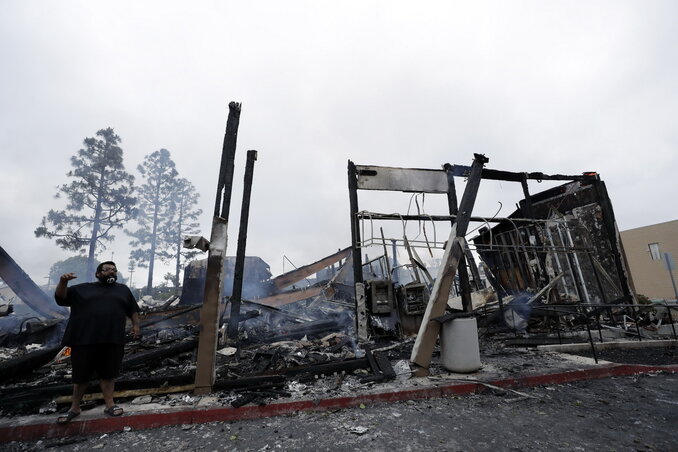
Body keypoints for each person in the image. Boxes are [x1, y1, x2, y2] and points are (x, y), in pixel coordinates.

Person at [54, 261, 141, 424]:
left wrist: (136, 326)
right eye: (107, 270)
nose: (111, 272)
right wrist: (63, 282)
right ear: (98, 274)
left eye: (114, 270)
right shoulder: (82, 289)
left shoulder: (123, 290)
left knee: (109, 374)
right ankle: (74, 408)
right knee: (80, 376)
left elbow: (133, 309)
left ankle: (110, 405)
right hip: (84, 340)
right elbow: (61, 297)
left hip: (112, 338)